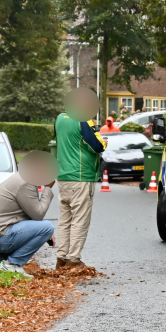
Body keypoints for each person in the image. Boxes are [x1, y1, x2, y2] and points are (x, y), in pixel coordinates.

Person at [0, 151, 57, 272]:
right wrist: (48, 188)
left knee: (44, 228)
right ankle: (11, 265)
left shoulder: (23, 178)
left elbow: (29, 216)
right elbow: (38, 214)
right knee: (47, 227)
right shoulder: (26, 183)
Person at [55, 87, 106, 266]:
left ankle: (61, 258)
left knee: (65, 220)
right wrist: (103, 141)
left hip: (63, 176)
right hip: (81, 176)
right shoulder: (83, 119)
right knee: (80, 220)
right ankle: (73, 260)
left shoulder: (60, 118)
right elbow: (97, 145)